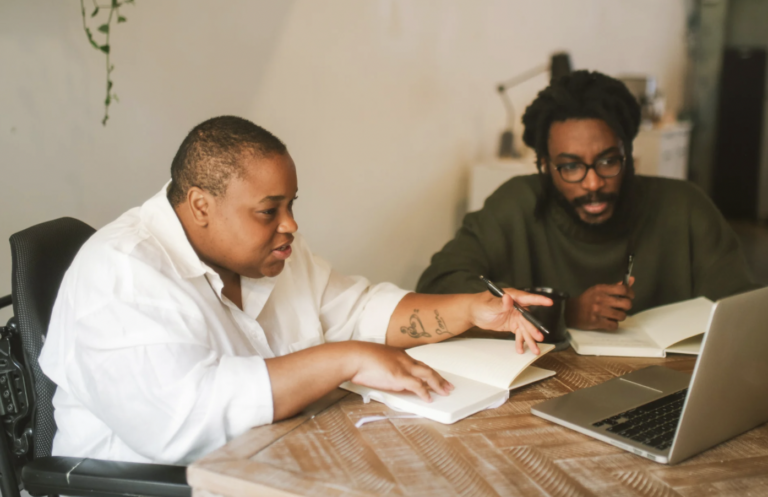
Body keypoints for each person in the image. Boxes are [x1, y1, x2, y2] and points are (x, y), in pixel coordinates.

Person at [39, 116, 550, 466]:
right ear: (200, 206)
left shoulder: (271, 252)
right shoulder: (123, 272)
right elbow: (184, 421)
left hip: (277, 465)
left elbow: (360, 311)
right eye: (269, 210)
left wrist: (470, 309)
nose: (290, 225)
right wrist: (344, 359)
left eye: (292, 205)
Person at [417, 70, 759, 330]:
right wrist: (565, 312)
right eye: (570, 167)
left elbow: (743, 317)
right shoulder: (515, 205)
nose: (593, 182)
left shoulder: (686, 209)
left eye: (608, 161)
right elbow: (437, 287)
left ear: (629, 155)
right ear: (544, 167)